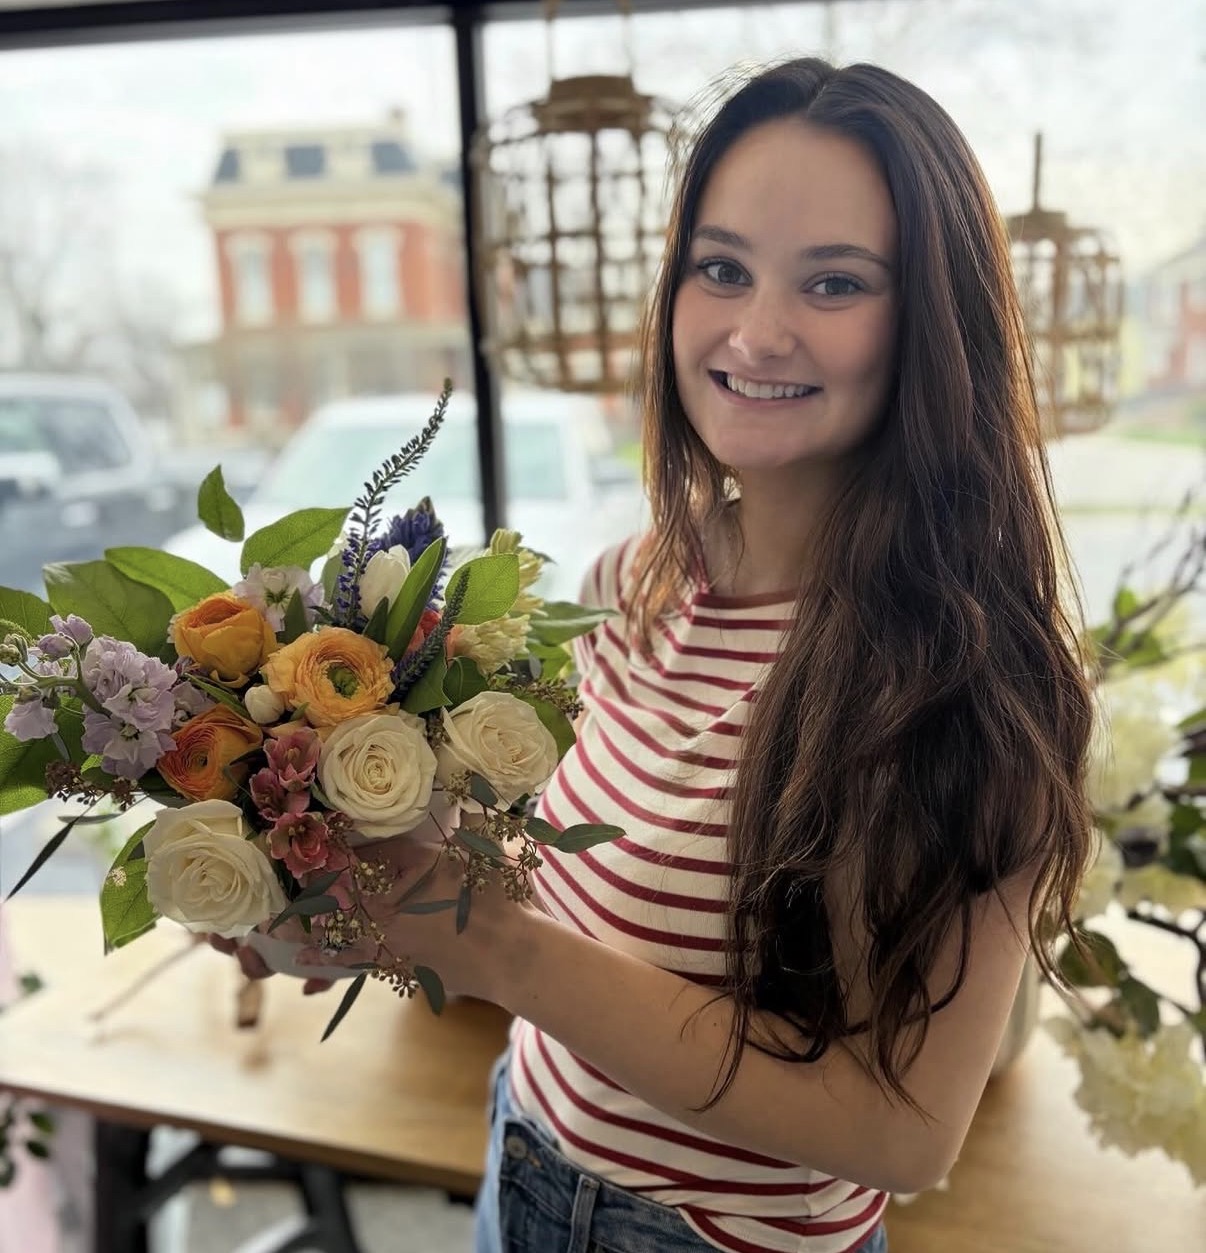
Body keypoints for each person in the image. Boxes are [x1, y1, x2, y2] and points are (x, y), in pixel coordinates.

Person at [221, 56, 1095, 1253]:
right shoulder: (631, 580)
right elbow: (571, 890)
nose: (757, 329)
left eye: (835, 281)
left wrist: (486, 941)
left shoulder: (966, 679)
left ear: (932, 326)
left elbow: (903, 1135)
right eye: (721, 267)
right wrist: (350, 898)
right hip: (523, 1150)